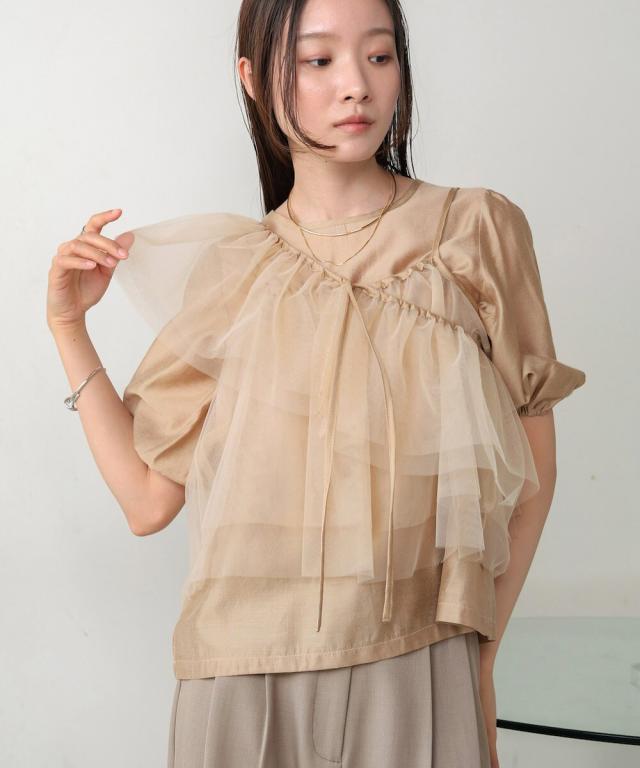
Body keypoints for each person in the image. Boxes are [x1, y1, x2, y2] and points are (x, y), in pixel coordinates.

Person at [46, 0, 587, 766]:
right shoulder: (236, 272)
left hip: (418, 659)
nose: (356, 85)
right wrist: (69, 328)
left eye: (379, 55)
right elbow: (146, 501)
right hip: (238, 673)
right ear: (253, 79)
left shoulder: (473, 230)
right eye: (318, 60)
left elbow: (533, 474)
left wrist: (484, 657)